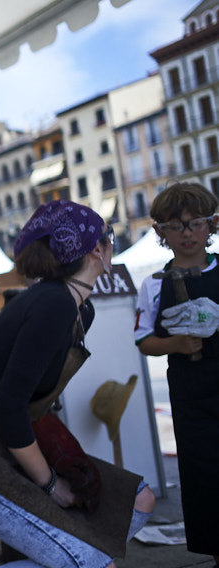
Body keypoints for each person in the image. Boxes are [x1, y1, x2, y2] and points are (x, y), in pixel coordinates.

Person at [0, 200, 155, 568]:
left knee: (139, 501)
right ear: (96, 249)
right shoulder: (53, 304)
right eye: (110, 238)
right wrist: (50, 484)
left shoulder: (77, 308)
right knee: (95, 564)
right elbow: (8, 407)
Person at [134, 181, 219, 565]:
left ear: (212, 224)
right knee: (205, 479)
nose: (187, 233)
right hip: (191, 400)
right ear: (159, 233)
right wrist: (177, 344)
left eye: (196, 223)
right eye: (176, 225)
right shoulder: (153, 286)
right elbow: (143, 340)